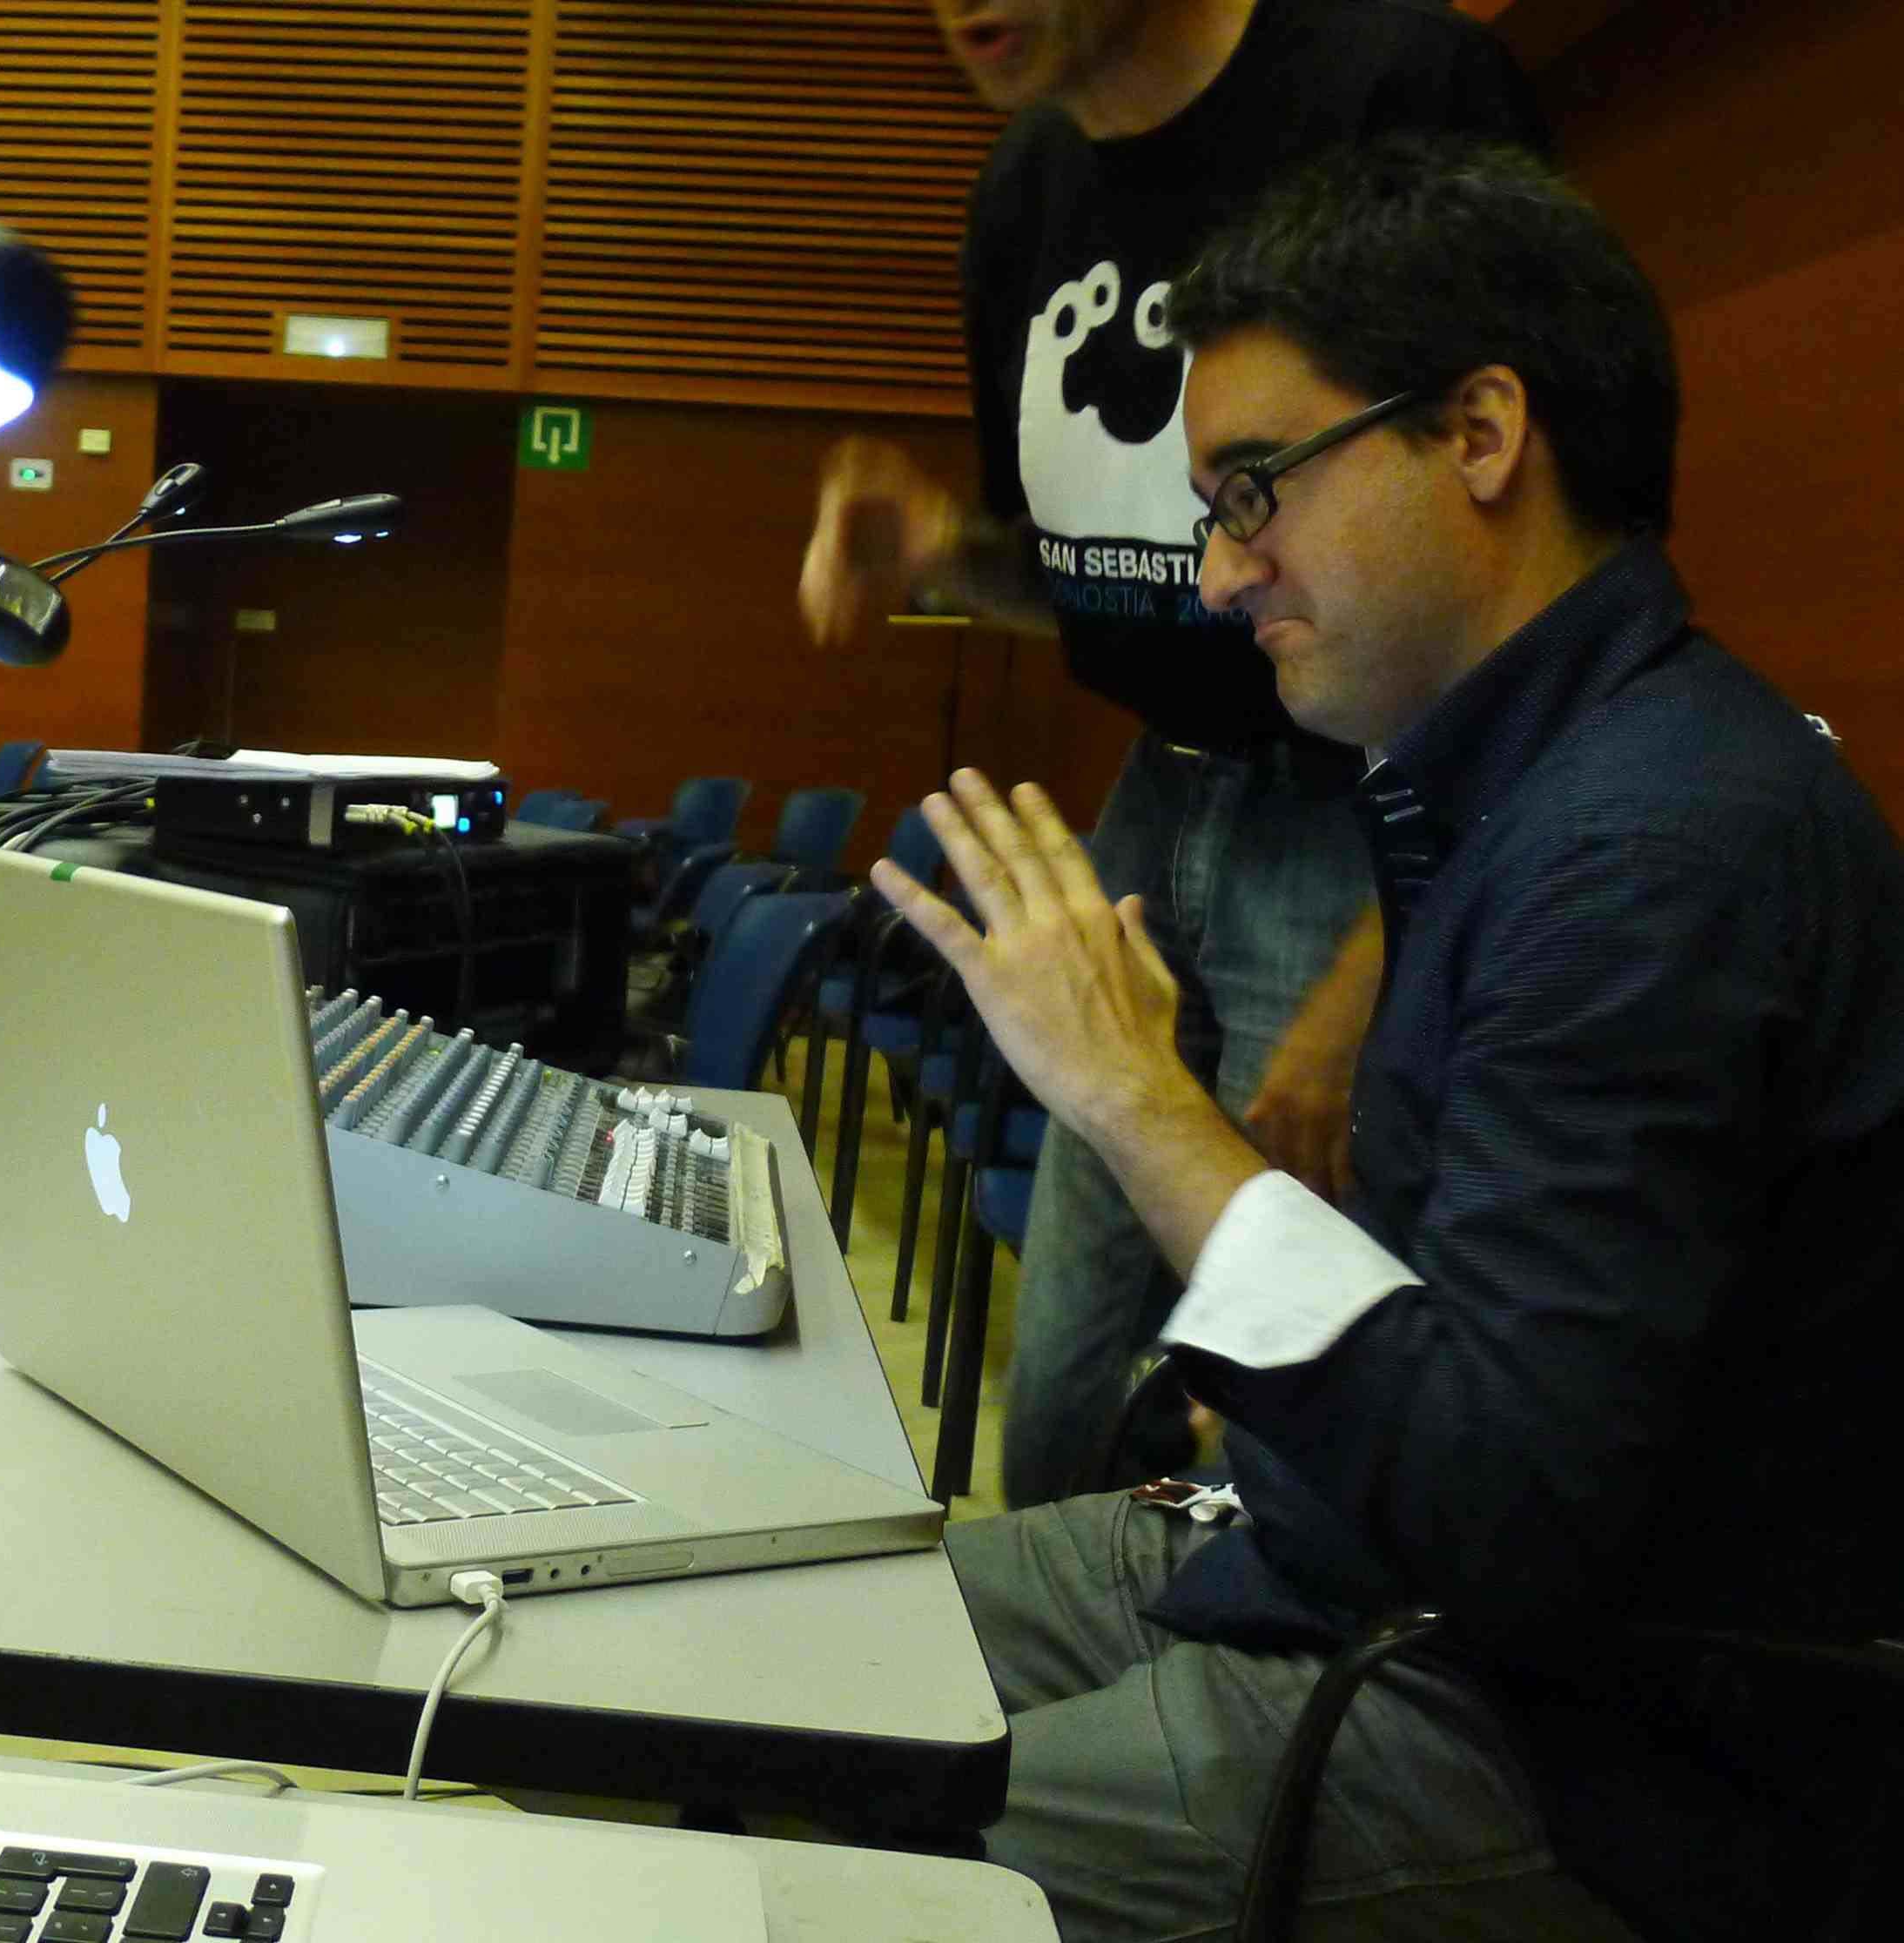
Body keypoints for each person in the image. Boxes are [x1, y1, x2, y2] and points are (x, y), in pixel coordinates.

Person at [875, 135, 1904, 1943]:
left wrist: (1135, 1100)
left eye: (1251, 489)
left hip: (1585, 1745)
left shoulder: (1649, 851)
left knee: (830, 1857)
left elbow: (1501, 1511)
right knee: (787, 1669)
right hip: (1358, 1563)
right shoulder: (1535, 777)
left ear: (1480, 435)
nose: (1215, 576)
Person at [800, 0, 1544, 1506]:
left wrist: (1385, 967)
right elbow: (1121, 574)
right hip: (1155, 797)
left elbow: (1535, 557)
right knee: (1065, 1385)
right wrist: (948, 553)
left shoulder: (1389, 82)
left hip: (1373, 813)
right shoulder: (1026, 181)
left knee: (1284, 1414)